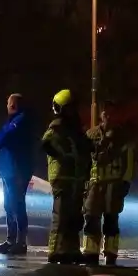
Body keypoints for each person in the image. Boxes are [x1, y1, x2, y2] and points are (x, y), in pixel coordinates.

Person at [83, 101, 135, 266]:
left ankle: (110, 253)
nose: (108, 116)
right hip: (95, 182)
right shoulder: (91, 134)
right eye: (105, 113)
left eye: (111, 113)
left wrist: (126, 181)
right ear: (101, 115)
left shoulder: (123, 136)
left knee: (111, 218)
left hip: (114, 182)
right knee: (91, 216)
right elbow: (85, 161)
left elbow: (130, 160)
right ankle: (90, 251)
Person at [42, 89, 91, 264]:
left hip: (75, 177)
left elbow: (84, 149)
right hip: (62, 177)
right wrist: (62, 155)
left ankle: (71, 250)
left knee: (74, 217)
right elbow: (46, 143)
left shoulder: (76, 129)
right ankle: (55, 250)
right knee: (61, 216)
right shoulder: (57, 127)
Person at [0, 93, 36, 255]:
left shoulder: (21, 121)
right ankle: (11, 240)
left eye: (10, 103)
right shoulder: (13, 121)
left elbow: (1, 138)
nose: (8, 106)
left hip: (16, 169)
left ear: (14, 105)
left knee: (16, 205)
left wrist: (2, 134)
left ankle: (20, 242)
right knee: (9, 205)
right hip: (9, 169)